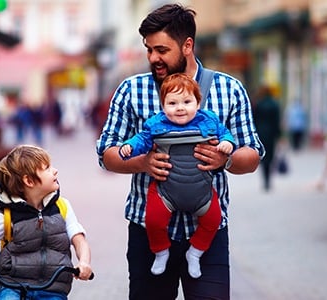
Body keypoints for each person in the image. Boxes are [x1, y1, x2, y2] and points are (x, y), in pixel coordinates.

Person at [95, 4, 264, 299]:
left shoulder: (229, 89)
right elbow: (106, 154)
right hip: (147, 232)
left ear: (187, 45)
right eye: (148, 50)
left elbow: (252, 156)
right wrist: (143, 163)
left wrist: (225, 159)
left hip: (208, 233)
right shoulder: (131, 90)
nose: (153, 58)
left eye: (161, 50)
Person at [119, 73, 235, 279]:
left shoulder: (209, 121)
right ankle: (161, 251)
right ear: (163, 105)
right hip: (165, 191)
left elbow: (225, 133)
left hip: (203, 192)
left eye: (187, 102)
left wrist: (228, 144)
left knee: (214, 220)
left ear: (198, 103)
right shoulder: (156, 124)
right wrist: (130, 147)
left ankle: (195, 253)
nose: (180, 107)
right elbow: (142, 139)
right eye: (172, 103)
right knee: (153, 220)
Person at [0, 145, 93, 299]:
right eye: (47, 168)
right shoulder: (7, 215)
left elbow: (79, 240)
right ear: (29, 181)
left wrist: (84, 263)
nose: (55, 171)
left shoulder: (62, 207)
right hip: (13, 285)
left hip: (52, 287)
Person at [252, 85, 282, 190]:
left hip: (260, 133)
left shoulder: (258, 104)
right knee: (270, 156)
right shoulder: (274, 104)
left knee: (263, 156)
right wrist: (279, 134)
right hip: (271, 134)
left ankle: (265, 179)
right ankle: (268, 179)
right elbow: (277, 121)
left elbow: (253, 119)